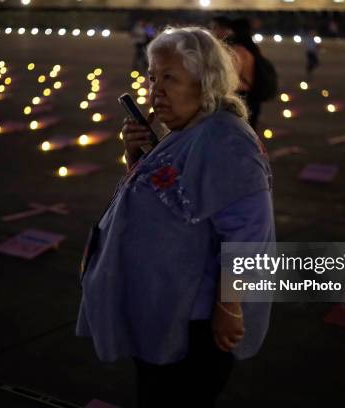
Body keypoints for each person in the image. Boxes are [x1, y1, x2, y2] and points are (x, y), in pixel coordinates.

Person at [76, 27, 275, 407]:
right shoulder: (187, 131)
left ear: (206, 82)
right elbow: (171, 199)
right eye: (152, 76)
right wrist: (137, 157)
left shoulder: (227, 140)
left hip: (194, 322)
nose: (155, 91)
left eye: (170, 78)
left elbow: (249, 233)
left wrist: (228, 306)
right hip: (162, 309)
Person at [211, 16, 277, 130]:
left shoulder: (238, 51)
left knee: (238, 132)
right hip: (253, 96)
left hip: (242, 97)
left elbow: (232, 79)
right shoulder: (252, 47)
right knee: (249, 131)